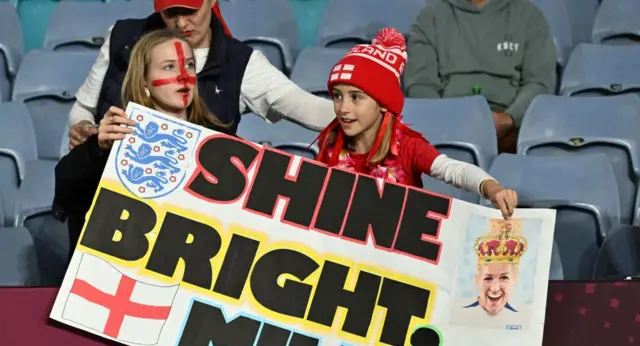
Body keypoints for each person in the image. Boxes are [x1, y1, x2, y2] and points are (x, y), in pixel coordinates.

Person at [55, 29, 227, 262]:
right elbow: (67, 196)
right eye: (169, 67)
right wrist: (97, 149)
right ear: (145, 82)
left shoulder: (219, 142)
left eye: (189, 65)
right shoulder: (114, 137)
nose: (183, 76)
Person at [67, 0, 334, 149]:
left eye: (191, 10)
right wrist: (83, 129)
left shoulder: (241, 63)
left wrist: (367, 113)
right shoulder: (122, 37)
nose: (182, 23)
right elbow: (83, 108)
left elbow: (304, 107)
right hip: (104, 198)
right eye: (172, 13)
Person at [314, 27, 518, 218]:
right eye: (338, 96)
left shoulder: (408, 147)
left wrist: (493, 189)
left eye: (356, 97)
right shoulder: (330, 143)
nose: (343, 108)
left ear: (384, 103)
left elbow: (454, 170)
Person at [403, 0, 557, 153]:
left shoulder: (530, 16)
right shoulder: (430, 17)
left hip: (510, 125)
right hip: (445, 125)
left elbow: (539, 82)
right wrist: (445, 122)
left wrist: (509, 119)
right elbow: (420, 83)